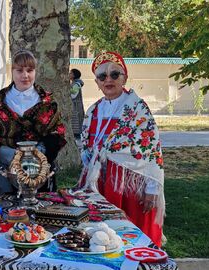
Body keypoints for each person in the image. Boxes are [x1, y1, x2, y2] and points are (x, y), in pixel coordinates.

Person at [78, 51, 165, 247]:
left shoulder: (137, 108)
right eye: (102, 76)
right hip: (99, 182)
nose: (108, 80)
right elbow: (87, 145)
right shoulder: (94, 109)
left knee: (130, 235)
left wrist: (152, 188)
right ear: (97, 82)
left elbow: (151, 149)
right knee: (102, 236)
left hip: (130, 183)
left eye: (114, 74)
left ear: (124, 77)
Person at [0, 49, 67, 194]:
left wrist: (40, 159)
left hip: (39, 166)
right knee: (5, 210)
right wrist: (7, 155)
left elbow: (57, 133)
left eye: (30, 70)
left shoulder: (47, 101)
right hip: (5, 166)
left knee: (38, 211)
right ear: (12, 71)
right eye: (20, 70)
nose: (25, 75)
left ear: (35, 71)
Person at [70, 68, 85, 138]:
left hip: (76, 107)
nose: (69, 75)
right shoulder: (74, 83)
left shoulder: (76, 84)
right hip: (74, 106)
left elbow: (73, 95)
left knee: (76, 122)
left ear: (74, 75)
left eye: (70, 73)